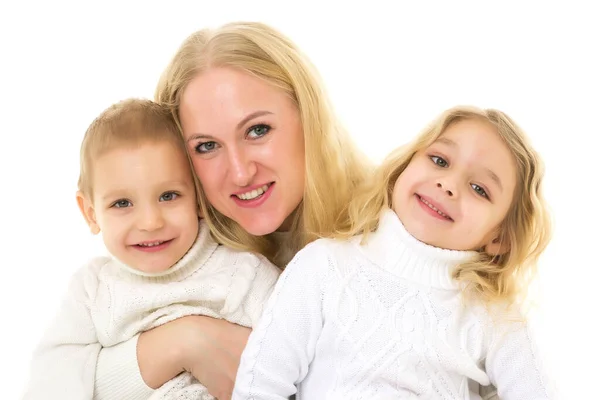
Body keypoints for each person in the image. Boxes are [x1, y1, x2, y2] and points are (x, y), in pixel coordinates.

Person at [90, 22, 373, 400]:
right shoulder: (189, 253)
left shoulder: (400, 230)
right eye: (206, 146)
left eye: (257, 130)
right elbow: (67, 380)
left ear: (310, 117)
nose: (240, 172)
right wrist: (187, 340)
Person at [232, 105, 554, 399]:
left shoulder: (494, 315)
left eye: (479, 189)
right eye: (439, 160)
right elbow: (262, 381)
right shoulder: (325, 265)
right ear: (404, 167)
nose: (449, 185)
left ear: (500, 238)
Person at [22, 99, 281, 399]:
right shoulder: (91, 291)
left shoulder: (243, 272)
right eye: (122, 203)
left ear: (198, 197)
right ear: (91, 213)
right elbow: (48, 384)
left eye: (169, 195)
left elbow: (300, 361)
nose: (150, 222)